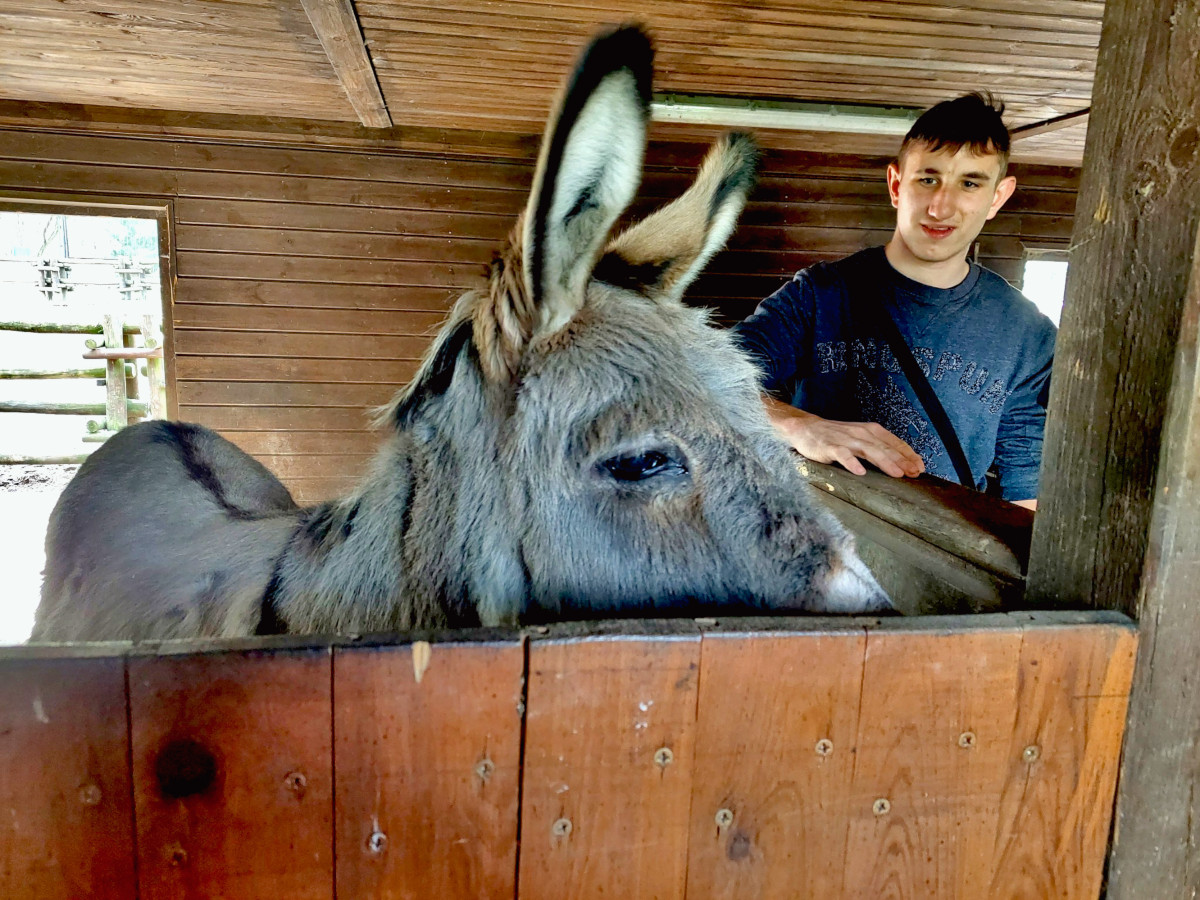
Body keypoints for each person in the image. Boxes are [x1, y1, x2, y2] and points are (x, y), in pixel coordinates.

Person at [733, 92, 1056, 510]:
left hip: (938, 561)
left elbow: (1026, 494)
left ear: (997, 197)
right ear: (896, 185)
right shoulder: (818, 295)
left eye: (970, 183)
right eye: (928, 178)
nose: (941, 207)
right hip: (813, 543)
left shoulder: (1028, 336)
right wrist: (799, 426)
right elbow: (706, 383)